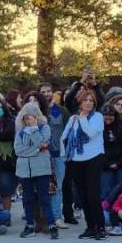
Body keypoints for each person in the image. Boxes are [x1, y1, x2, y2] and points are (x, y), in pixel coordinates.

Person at [61, 90, 106, 240]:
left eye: (91, 100)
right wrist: (64, 156)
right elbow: (64, 137)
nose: (88, 102)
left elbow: (90, 134)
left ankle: (100, 227)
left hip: (94, 157)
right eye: (85, 100)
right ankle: (90, 226)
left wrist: (83, 118)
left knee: (93, 195)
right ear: (79, 102)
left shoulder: (98, 117)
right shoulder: (73, 118)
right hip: (76, 160)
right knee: (82, 195)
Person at [15, 103, 58, 239]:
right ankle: (29, 225)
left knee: (44, 198)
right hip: (24, 170)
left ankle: (52, 225)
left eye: (31, 117)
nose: (28, 121)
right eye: (26, 118)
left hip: (41, 169)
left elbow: (41, 142)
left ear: (37, 117)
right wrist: (37, 150)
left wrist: (34, 130)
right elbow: (18, 150)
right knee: (27, 199)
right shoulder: (20, 132)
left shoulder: (44, 128)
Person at [39, 83, 74, 227]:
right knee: (42, 187)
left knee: (57, 186)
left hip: (59, 154)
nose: (46, 94)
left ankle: (57, 217)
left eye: (48, 91)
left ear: (52, 93)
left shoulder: (62, 111)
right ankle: (44, 218)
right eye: (43, 92)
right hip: (41, 154)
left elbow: (69, 133)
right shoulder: (37, 112)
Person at [101, 104, 122, 200]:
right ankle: (105, 213)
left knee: (121, 189)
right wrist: (108, 163)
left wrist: (118, 162)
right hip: (105, 165)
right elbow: (97, 146)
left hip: (121, 163)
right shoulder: (99, 125)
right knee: (106, 190)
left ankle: (119, 211)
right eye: (105, 115)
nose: (108, 117)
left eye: (111, 115)